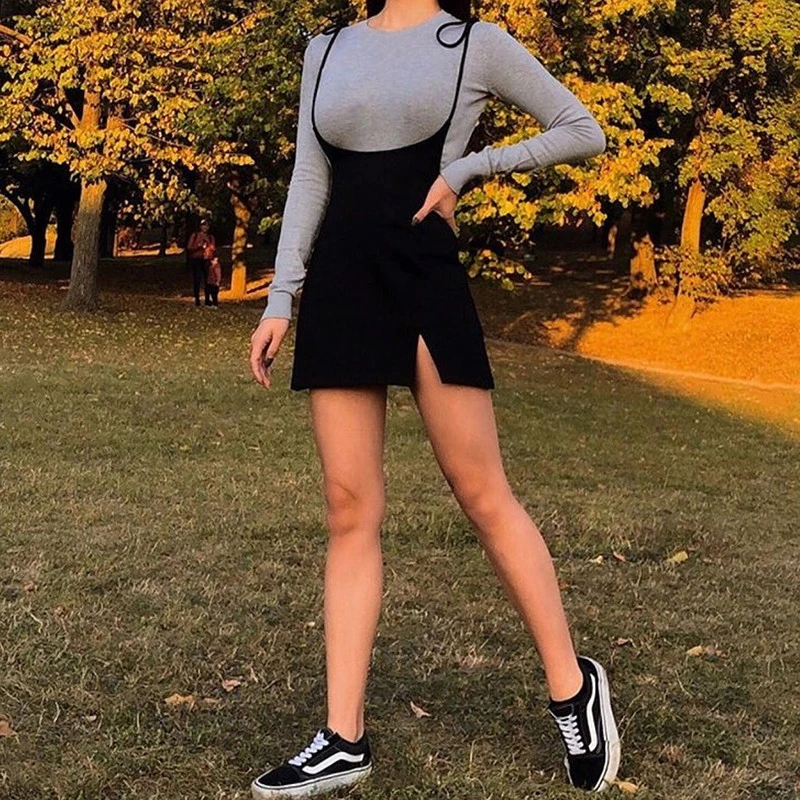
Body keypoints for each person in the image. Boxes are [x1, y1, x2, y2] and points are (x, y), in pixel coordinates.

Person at [248, 1, 619, 797]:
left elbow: (581, 129)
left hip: (423, 277)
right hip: (343, 284)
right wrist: (281, 298)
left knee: (481, 493)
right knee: (349, 508)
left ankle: (573, 688)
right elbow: (310, 175)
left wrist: (468, 170)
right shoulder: (327, 49)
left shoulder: (475, 44)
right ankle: (343, 738)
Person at [186, 219, 216, 307]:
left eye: (207, 226)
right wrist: (198, 246)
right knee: (197, 279)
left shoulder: (210, 237)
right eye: (203, 225)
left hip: (207, 260)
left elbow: (213, 248)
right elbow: (189, 247)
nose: (205, 227)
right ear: (200, 227)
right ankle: (197, 299)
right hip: (197, 259)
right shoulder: (195, 235)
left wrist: (208, 244)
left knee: (208, 280)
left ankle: (207, 299)